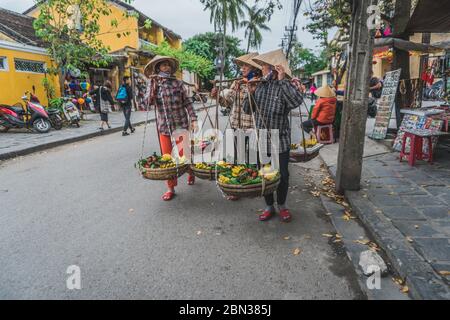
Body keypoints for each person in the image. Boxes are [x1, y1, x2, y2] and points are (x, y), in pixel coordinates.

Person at [244, 49, 304, 223]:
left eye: (263, 66)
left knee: (283, 175)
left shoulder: (286, 84)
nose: (261, 69)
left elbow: (295, 102)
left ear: (273, 68)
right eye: (262, 66)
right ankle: (269, 205)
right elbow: (248, 110)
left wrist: (281, 81)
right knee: (266, 173)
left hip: (281, 139)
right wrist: (251, 91)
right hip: (261, 138)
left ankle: (282, 205)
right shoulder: (259, 84)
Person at [145, 55, 198, 201]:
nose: (166, 67)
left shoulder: (178, 83)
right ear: (158, 68)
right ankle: (170, 187)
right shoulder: (153, 83)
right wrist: (154, 87)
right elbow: (147, 103)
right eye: (163, 65)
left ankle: (190, 172)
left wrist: (193, 119)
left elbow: (187, 102)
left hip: (180, 123)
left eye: (168, 65)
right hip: (164, 126)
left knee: (183, 154)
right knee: (167, 158)